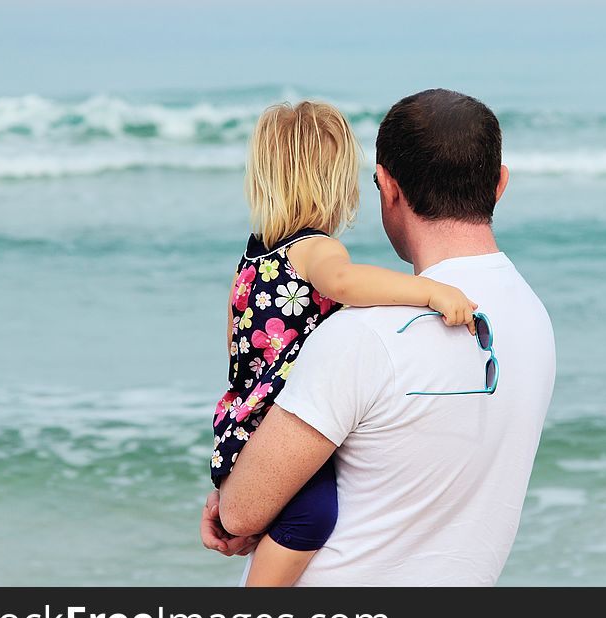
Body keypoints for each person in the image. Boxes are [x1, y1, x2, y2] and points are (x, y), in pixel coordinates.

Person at [201, 88, 556, 586]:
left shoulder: (362, 336)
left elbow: (239, 516)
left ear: (387, 188)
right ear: (499, 185)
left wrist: (232, 498)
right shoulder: (533, 320)